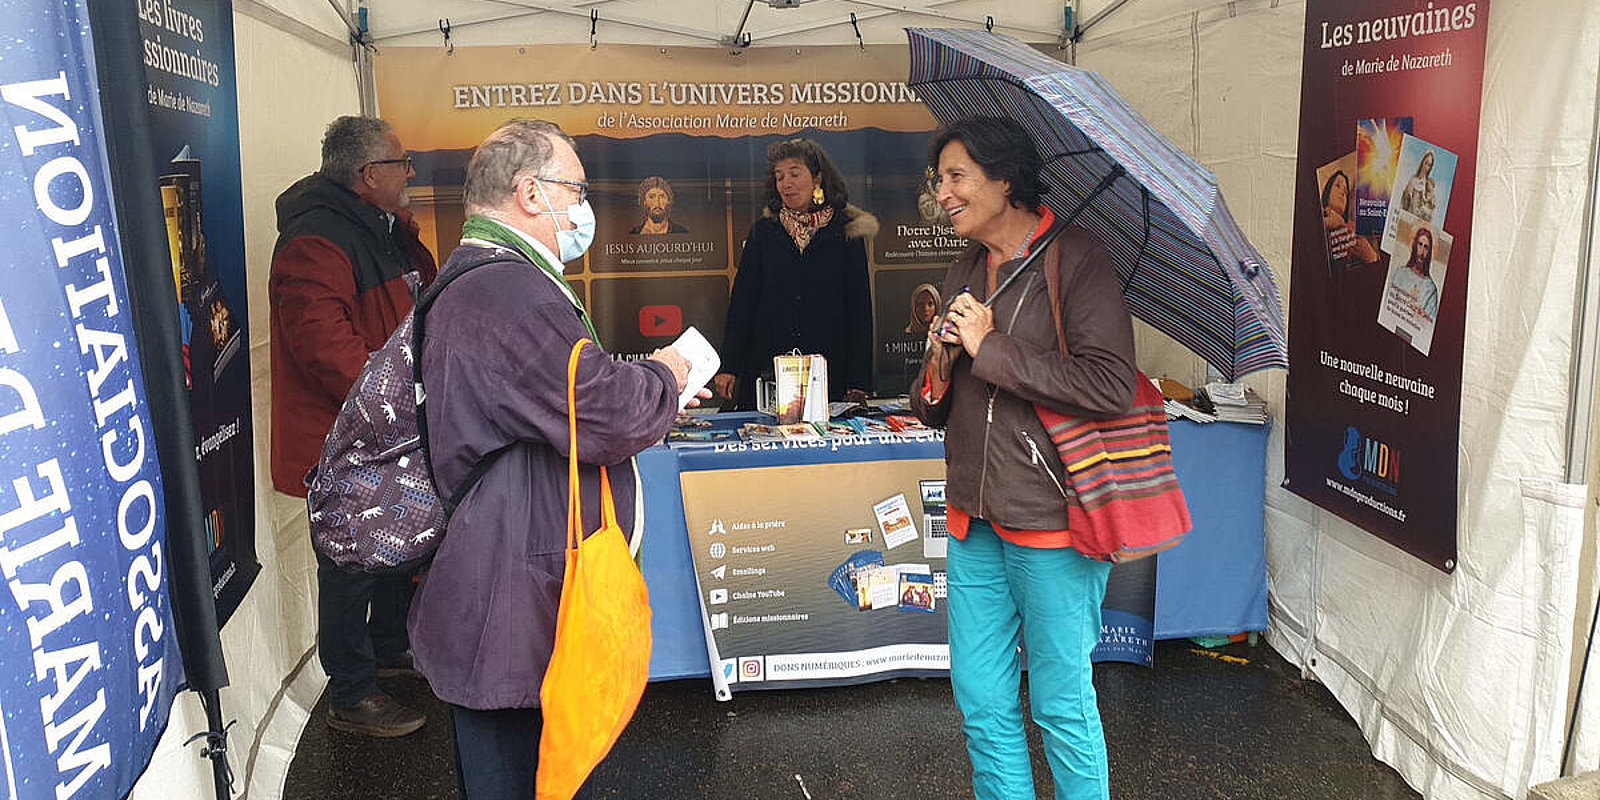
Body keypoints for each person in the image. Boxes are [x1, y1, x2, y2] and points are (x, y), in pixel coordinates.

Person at [407, 119, 707, 800]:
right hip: (509, 601)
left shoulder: (483, 278)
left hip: (499, 582)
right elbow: (602, 411)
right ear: (530, 193)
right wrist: (667, 373)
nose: (585, 208)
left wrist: (644, 393)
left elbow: (565, 401)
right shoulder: (509, 290)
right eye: (577, 189)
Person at [911, 116, 1137, 800]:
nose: (943, 194)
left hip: (1052, 522)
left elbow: (1109, 385)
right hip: (971, 518)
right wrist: (942, 360)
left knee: (1061, 705)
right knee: (982, 702)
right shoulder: (965, 266)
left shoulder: (1078, 259)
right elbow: (930, 404)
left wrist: (991, 348)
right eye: (938, 180)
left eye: (957, 177)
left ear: (1004, 178)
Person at [269, 115, 436, 738]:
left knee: (394, 544)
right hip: (344, 439)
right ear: (370, 176)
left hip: (386, 430)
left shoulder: (383, 230)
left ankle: (389, 648)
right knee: (349, 565)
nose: (411, 172)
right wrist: (398, 398)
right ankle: (350, 692)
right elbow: (322, 345)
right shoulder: (317, 241)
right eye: (402, 163)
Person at [714, 138, 875, 409]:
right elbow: (742, 303)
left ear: (817, 178)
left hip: (828, 373)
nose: (786, 183)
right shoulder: (764, 231)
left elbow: (859, 310)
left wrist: (858, 381)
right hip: (767, 370)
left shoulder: (846, 230)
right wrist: (729, 365)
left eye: (794, 173)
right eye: (779, 176)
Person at [1320, 169, 1376, 266]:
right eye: (1338, 186)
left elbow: (1372, 258)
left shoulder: (1353, 227)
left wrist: (1341, 225)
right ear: (1328, 192)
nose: (1342, 193)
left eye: (1345, 192)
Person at [1388, 225, 1440, 320]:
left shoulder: (1431, 289)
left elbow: (1430, 322)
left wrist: (1422, 316)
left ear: (1429, 252)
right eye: (1420, 244)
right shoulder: (1401, 273)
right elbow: (1389, 302)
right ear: (1415, 245)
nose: (1422, 251)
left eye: (1426, 247)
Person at [1400, 150, 1438, 222]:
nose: (1426, 167)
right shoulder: (1413, 179)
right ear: (1422, 162)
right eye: (1426, 163)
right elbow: (1404, 202)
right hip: (1407, 217)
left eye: (1429, 165)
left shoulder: (1428, 184)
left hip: (1419, 222)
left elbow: (1431, 207)